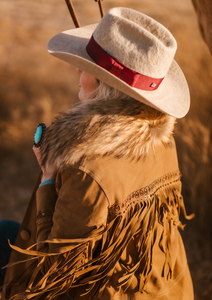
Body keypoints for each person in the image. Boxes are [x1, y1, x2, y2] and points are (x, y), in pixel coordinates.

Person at [1, 7, 194, 300]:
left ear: (107, 86)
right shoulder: (163, 138)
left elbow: (50, 278)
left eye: (88, 68)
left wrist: (48, 181)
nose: (78, 71)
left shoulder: (86, 170)